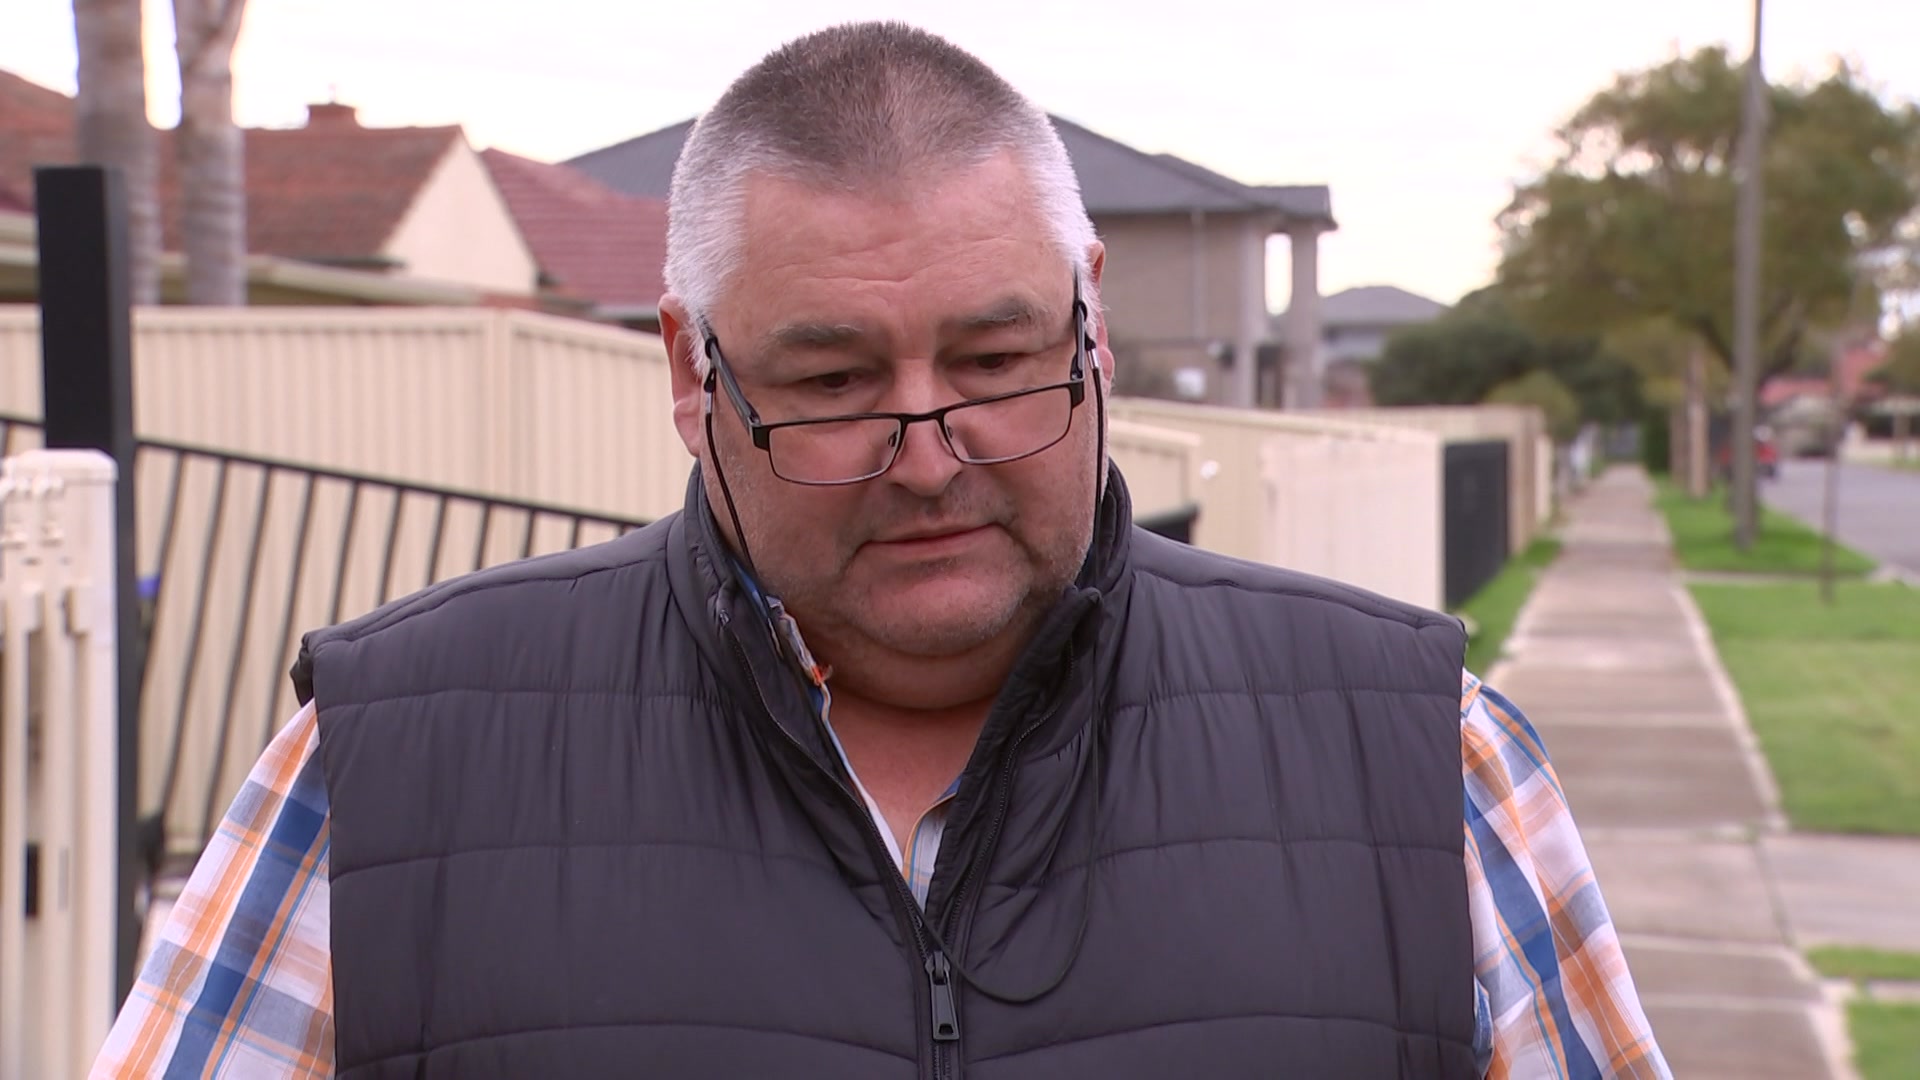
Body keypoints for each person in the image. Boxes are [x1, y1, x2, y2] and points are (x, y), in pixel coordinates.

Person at [92, 21, 1670, 1079]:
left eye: (996, 360)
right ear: (686, 372)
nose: (930, 453)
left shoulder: (1416, 755)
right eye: (834, 383)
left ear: (1093, 320)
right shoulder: (383, 771)